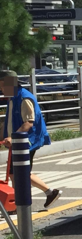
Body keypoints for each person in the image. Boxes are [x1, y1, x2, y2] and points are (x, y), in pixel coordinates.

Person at [0, 70, 61, 208]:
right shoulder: (13, 98)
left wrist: (12, 137)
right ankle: (44, 194)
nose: (0, 89)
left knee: (19, 172)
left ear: (8, 83)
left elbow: (29, 123)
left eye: (1, 85)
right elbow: (10, 121)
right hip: (18, 141)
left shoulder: (24, 98)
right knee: (16, 173)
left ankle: (21, 203)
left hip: (28, 141)